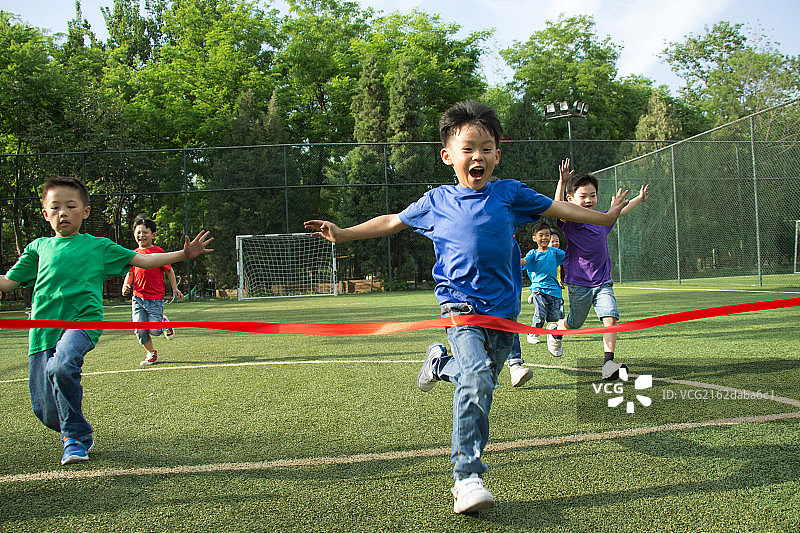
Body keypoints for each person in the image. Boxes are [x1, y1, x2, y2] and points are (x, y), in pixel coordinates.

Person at [304, 100, 630, 514]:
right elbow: (392, 221)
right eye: (468, 148)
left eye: (487, 148)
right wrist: (343, 232)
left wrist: (603, 218)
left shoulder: (510, 194)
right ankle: (467, 477)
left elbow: (557, 208)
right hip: (459, 307)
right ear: (448, 156)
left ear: (497, 155)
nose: (478, 156)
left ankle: (438, 365)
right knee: (476, 378)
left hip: (504, 312)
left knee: (481, 382)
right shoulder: (436, 201)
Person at [0, 176, 213, 466]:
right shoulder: (37, 248)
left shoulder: (97, 246)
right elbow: (7, 283)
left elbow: (143, 260)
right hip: (41, 333)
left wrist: (183, 254)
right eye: (56, 207)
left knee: (62, 363)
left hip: (83, 323)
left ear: (85, 211)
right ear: (45, 213)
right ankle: (75, 430)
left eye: (71, 206)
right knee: (47, 411)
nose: (63, 213)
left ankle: (74, 439)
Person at [552, 159, 649, 380]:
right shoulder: (570, 221)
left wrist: (639, 199)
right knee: (574, 323)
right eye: (583, 196)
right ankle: (557, 329)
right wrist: (562, 181)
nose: (588, 200)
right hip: (579, 284)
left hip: (602, 281)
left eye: (592, 195)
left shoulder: (603, 220)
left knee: (610, 316)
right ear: (571, 199)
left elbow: (619, 212)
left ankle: (608, 363)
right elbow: (556, 208)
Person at [122, 216, 184, 366]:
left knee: (155, 331)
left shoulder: (158, 252)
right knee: (139, 328)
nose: (141, 235)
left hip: (155, 298)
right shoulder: (133, 254)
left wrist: (175, 288)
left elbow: (169, 270)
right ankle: (151, 353)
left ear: (153, 235)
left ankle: (163, 323)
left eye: (145, 232)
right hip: (138, 297)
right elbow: (130, 273)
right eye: (138, 232)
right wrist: (126, 285)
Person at [520, 221, 565, 357]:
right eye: (541, 235)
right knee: (540, 314)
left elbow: (569, 257)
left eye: (547, 235)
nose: (544, 238)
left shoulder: (555, 253)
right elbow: (524, 262)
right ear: (535, 238)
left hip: (555, 291)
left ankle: (551, 337)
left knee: (554, 319)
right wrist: (512, 258)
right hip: (538, 289)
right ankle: (533, 333)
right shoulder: (533, 253)